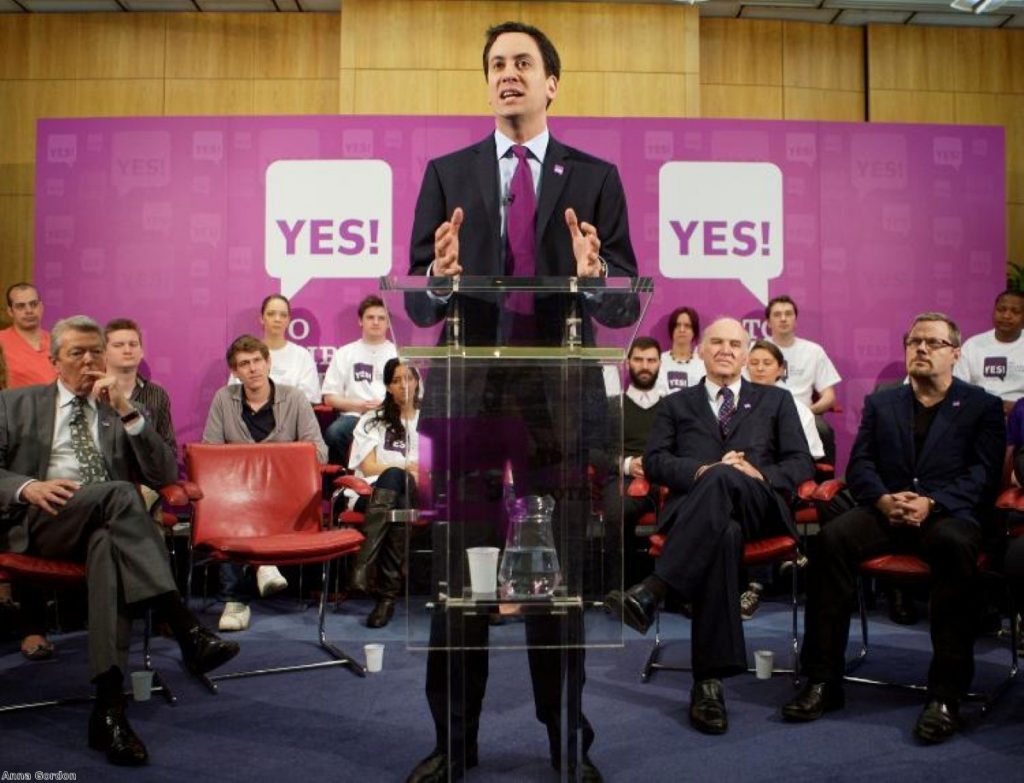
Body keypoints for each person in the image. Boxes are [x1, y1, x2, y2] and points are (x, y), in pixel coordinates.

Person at [405, 21, 637, 783]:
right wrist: (439, 277)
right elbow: (419, 303)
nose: (508, 74)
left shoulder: (595, 176)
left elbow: (621, 309)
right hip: (467, 403)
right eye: (497, 64)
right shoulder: (448, 172)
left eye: (522, 63)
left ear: (551, 83)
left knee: (556, 586)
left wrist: (595, 274)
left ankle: (567, 740)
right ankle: (455, 743)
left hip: (559, 408)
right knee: (458, 587)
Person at [0, 315, 239, 765]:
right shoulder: (15, 404)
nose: (89, 360)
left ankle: (109, 710)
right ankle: (182, 622)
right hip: (42, 520)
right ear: (54, 361)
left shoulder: (117, 410)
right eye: (77, 353)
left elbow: (165, 475)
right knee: (119, 494)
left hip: (107, 527)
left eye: (95, 351)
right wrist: (27, 487)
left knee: (110, 545)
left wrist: (128, 410)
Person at [782, 312, 1005, 745]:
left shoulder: (981, 405)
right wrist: (885, 500)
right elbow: (860, 463)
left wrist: (932, 502)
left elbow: (984, 473)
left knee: (955, 548)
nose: (921, 349)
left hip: (947, 516)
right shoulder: (883, 401)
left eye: (933, 343)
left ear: (956, 353)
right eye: (914, 341)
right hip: (886, 510)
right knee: (831, 540)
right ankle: (823, 681)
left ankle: (945, 696)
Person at [605, 317, 813, 736]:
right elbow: (657, 461)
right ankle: (708, 683)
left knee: (727, 485)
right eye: (716, 342)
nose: (725, 349)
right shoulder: (676, 403)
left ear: (746, 351)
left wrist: (756, 474)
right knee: (723, 530)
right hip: (697, 513)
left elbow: (800, 463)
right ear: (700, 349)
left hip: (759, 507)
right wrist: (704, 470)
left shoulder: (776, 400)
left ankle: (655, 589)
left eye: (735, 343)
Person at [202, 335, 328, 632]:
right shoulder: (224, 398)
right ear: (235, 371)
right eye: (244, 364)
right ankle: (258, 572)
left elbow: (320, 451)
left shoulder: (294, 398)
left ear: (269, 363)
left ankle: (234, 599)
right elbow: (209, 454)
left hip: (284, 493)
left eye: (258, 361)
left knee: (248, 504)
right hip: (238, 494)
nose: (253, 369)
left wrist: (273, 463)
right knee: (232, 505)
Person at [345, 358, 421, 628]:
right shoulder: (372, 420)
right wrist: (404, 467)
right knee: (394, 487)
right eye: (397, 380)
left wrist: (403, 470)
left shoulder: (429, 422)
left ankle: (363, 567)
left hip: (418, 493)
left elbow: (431, 471)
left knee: (395, 479)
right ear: (388, 387)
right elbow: (368, 467)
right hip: (372, 494)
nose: (404, 385)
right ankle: (387, 597)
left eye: (409, 378)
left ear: (418, 381)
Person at [607, 337, 664, 582]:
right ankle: (618, 589)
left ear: (660, 363)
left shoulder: (674, 406)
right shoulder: (611, 406)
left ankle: (674, 591)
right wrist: (628, 464)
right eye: (639, 359)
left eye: (651, 360)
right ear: (628, 362)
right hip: (623, 477)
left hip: (664, 479)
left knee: (690, 508)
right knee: (617, 511)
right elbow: (595, 452)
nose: (644, 366)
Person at [765, 295, 841, 464]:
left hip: (805, 412)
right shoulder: (757, 350)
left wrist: (809, 412)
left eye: (788, 314)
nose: (783, 318)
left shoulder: (813, 351)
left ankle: (825, 485)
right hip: (765, 412)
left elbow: (829, 397)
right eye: (777, 315)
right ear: (768, 322)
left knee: (823, 430)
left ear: (795, 320)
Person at [321, 295, 397, 465]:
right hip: (354, 416)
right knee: (335, 433)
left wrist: (388, 406)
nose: (376, 322)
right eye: (370, 317)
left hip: (391, 416)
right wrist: (360, 406)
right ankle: (343, 479)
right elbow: (329, 397)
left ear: (388, 323)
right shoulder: (345, 353)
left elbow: (413, 395)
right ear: (360, 321)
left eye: (381, 318)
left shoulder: (399, 354)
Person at [105, 318, 177, 458]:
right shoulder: (92, 392)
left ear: (141, 351)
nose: (127, 350)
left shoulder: (157, 394)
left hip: (147, 476)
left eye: (133, 344)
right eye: (118, 345)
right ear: (104, 352)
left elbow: (169, 451)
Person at [228, 294, 321, 404]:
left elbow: (311, 397)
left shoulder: (302, 355)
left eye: (283, 315)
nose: (277, 319)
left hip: (289, 418)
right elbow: (233, 393)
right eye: (271, 314)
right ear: (262, 318)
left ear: (288, 321)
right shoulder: (246, 353)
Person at [747, 340, 825, 461]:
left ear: (781, 369)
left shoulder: (798, 408)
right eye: (754, 363)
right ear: (746, 368)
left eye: (767, 363)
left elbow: (810, 454)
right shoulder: (734, 402)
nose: (760, 368)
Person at [954, 288, 1024, 415]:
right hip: (981, 410)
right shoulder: (973, 345)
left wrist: (1017, 407)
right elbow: (958, 386)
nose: (1006, 315)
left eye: (1015, 311)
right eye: (1001, 310)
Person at [0, 282, 57, 388]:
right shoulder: (1, 341)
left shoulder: (58, 342)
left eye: (33, 304)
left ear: (41, 307)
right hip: (13, 403)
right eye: (20, 306)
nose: (29, 310)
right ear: (10, 311)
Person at [656, 306, 703, 396]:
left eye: (687, 326)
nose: (682, 330)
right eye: (677, 325)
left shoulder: (703, 364)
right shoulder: (658, 361)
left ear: (694, 331)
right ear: (671, 330)